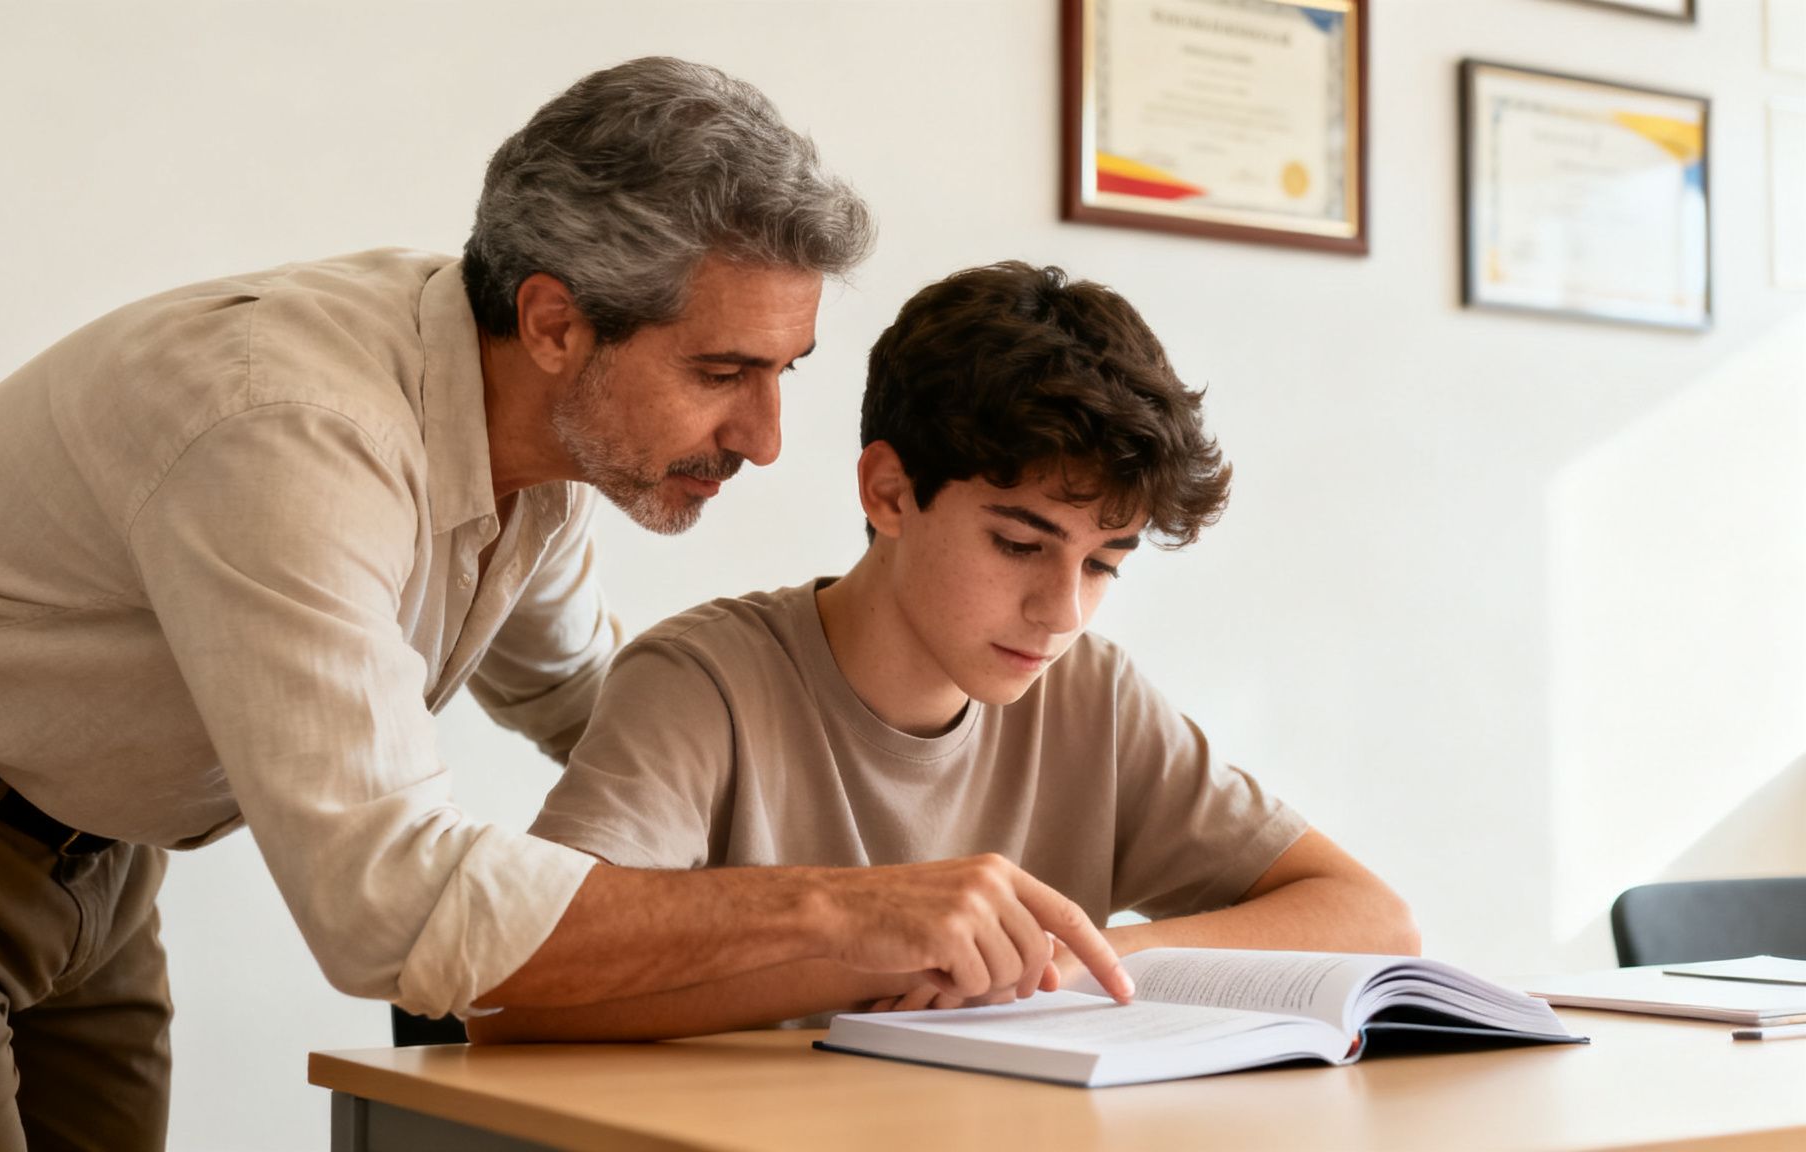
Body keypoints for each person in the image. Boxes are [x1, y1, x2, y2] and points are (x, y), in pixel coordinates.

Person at [0, 61, 1130, 1152]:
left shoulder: (532, 446)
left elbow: (591, 702)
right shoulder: (290, 435)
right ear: (553, 324)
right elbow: (391, 908)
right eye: (724, 371)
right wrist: (849, 917)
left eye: (786, 370)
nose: (769, 438)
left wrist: (877, 798)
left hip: (97, 853)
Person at [484, 261, 1421, 1042]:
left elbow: (1373, 919)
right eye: (1019, 545)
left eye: (1103, 565)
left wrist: (1071, 956)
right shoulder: (703, 683)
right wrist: (874, 949)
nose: (1062, 614)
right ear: (889, 493)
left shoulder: (1092, 694)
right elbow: (505, 993)